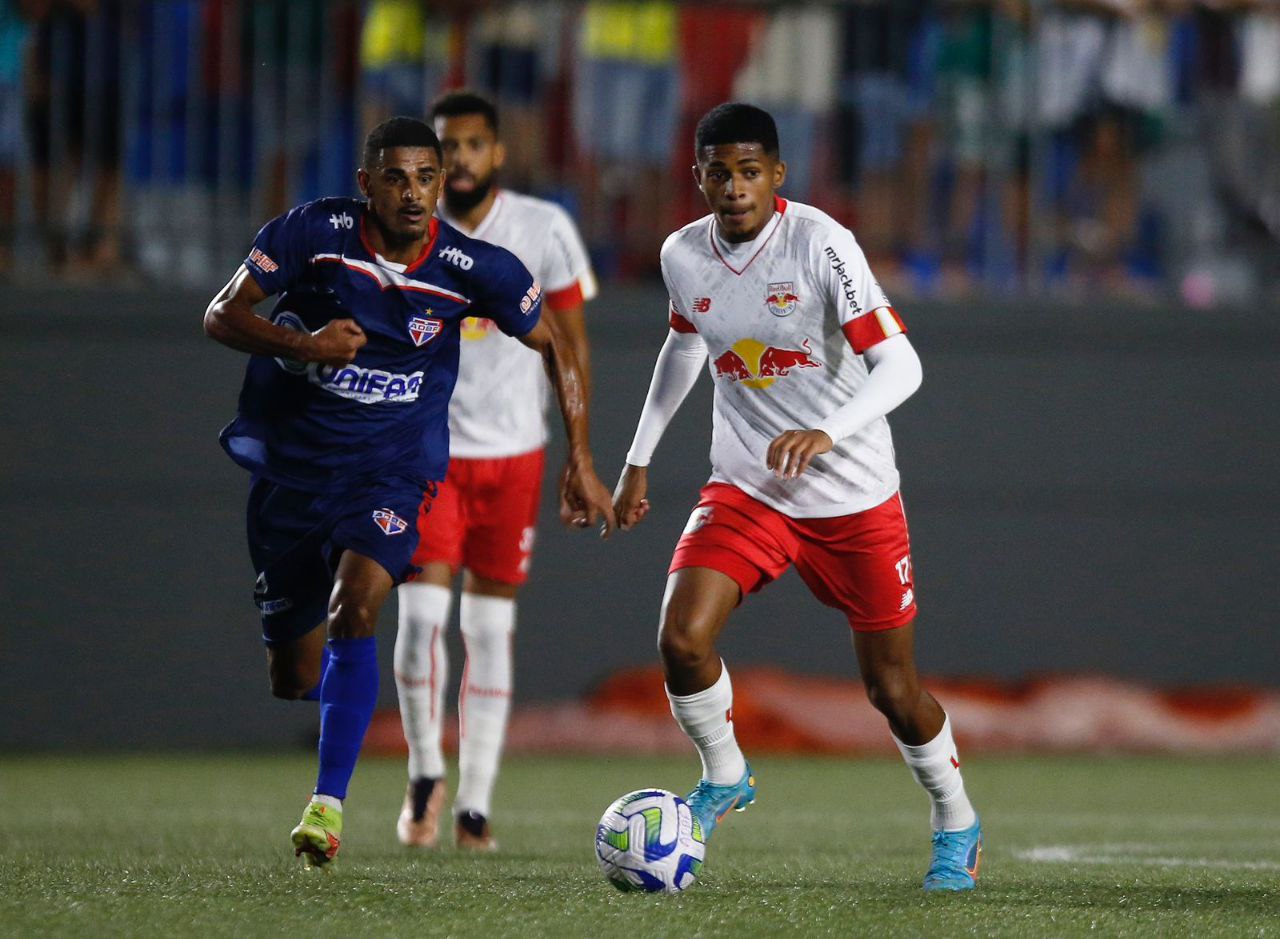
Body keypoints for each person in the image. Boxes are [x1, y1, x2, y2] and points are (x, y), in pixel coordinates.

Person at [203, 116, 615, 867]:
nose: (416, 192)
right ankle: (343, 703)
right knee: (293, 672)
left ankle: (327, 807)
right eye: (397, 177)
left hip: (393, 472)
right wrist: (306, 345)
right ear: (367, 185)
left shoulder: (471, 266)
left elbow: (555, 342)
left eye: (427, 177)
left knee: (356, 603)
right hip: (295, 474)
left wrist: (581, 458)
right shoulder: (314, 233)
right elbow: (221, 314)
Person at [611, 102, 982, 892]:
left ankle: (955, 815)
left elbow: (902, 367)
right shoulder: (683, 254)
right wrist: (639, 457)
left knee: (892, 689)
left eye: (750, 171)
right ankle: (724, 773)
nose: (735, 186)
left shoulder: (821, 244)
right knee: (681, 638)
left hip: (854, 498)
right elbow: (683, 345)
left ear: (777, 175)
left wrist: (829, 430)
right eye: (720, 171)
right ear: (699, 175)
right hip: (749, 484)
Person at [392, 90, 598, 852]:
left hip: (515, 454)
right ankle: (423, 768)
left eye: (475, 145)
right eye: (448, 148)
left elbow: (571, 347)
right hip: (429, 452)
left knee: (489, 627)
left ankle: (474, 800)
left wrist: (581, 454)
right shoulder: (409, 232)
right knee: (418, 625)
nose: (462, 161)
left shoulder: (544, 229)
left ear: (498, 153)